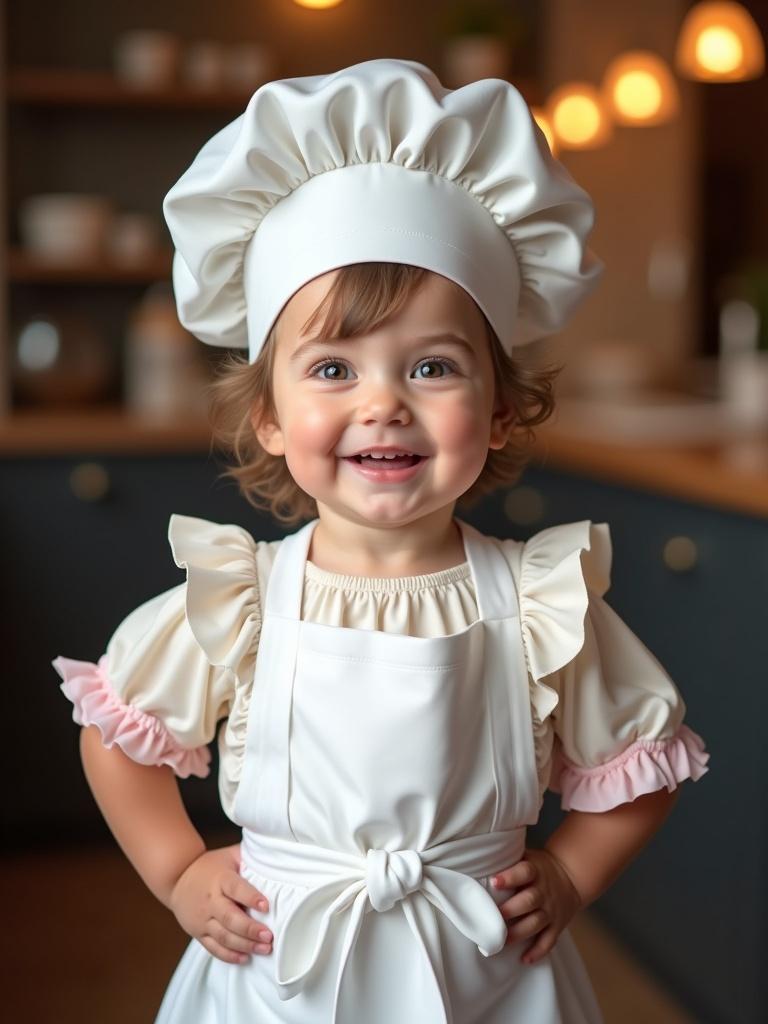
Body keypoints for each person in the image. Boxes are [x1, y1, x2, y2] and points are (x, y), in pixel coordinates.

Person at [52, 59, 710, 1023]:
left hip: (491, 981)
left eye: (434, 366)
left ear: (497, 412)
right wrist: (178, 872)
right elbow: (117, 742)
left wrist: (570, 875)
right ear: (270, 416)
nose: (383, 405)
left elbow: (640, 767)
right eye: (331, 367)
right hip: (275, 977)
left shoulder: (541, 604)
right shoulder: (241, 600)